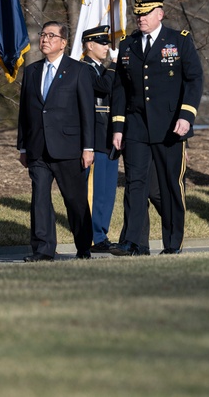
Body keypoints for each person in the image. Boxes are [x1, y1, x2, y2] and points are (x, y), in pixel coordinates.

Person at [110, 0, 203, 256]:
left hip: (170, 125)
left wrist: (187, 115)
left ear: (159, 14)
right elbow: (120, 89)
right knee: (135, 184)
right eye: (138, 14)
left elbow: (194, 79)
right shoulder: (128, 45)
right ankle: (133, 242)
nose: (140, 18)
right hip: (137, 126)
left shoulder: (178, 41)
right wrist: (118, 127)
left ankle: (173, 243)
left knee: (169, 184)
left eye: (146, 13)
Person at [17, 22, 95, 261]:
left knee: (74, 200)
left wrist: (88, 147)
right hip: (38, 148)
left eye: (52, 36)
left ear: (63, 43)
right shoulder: (31, 71)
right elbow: (25, 112)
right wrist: (22, 146)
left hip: (68, 148)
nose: (45, 39)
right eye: (43, 35)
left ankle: (83, 246)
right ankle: (43, 249)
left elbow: (87, 112)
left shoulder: (79, 71)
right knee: (40, 199)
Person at [79, 25, 119, 253]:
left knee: (106, 191)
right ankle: (94, 236)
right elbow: (104, 87)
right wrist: (114, 66)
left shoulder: (99, 68)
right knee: (95, 191)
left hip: (107, 137)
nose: (107, 47)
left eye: (107, 43)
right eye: (102, 43)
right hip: (95, 138)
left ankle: (101, 234)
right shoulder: (84, 68)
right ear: (89, 45)